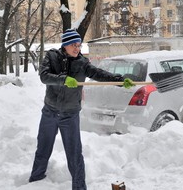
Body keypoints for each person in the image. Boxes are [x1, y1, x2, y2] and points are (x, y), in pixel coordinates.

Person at [29, 29, 125, 190]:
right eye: (74, 45)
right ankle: (36, 181)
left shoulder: (82, 63)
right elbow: (44, 76)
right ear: (65, 45)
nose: (77, 48)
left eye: (79, 45)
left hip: (70, 114)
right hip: (50, 111)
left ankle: (79, 187)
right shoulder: (52, 56)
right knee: (43, 148)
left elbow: (98, 73)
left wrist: (119, 80)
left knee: (74, 154)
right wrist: (64, 79)